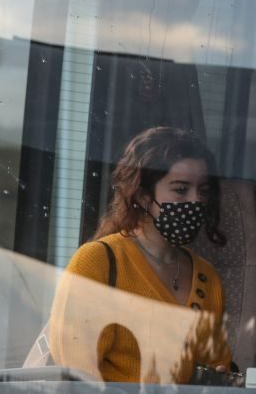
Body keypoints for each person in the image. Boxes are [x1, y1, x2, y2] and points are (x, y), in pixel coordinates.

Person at [48, 127, 233, 384]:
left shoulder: (207, 278)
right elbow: (76, 374)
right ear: (145, 197)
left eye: (203, 191)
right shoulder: (97, 262)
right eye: (180, 190)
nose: (196, 201)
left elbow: (216, 368)